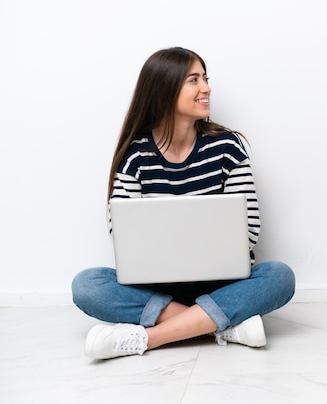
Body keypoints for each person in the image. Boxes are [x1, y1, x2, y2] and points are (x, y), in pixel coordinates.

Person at [71, 47, 296, 360]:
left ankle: (148, 338)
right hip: (159, 288)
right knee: (87, 285)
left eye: (205, 78)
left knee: (280, 276)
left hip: (222, 284)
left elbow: (249, 232)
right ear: (165, 89)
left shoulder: (228, 148)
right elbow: (123, 238)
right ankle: (222, 325)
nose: (206, 88)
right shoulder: (135, 157)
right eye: (194, 79)